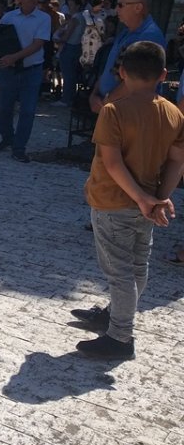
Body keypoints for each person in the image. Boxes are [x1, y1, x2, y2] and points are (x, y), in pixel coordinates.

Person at [70, 41, 184, 360]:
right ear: (163, 75)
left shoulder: (114, 110)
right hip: (146, 206)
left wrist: (143, 198)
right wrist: (158, 198)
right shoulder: (174, 113)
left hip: (112, 202)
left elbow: (112, 163)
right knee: (137, 266)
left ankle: (120, 337)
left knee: (120, 272)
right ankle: (113, 315)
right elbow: (177, 160)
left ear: (121, 72)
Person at [0, 0, 52, 163]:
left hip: (31, 70)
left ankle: (19, 147)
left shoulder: (43, 18)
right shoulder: (9, 17)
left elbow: (38, 44)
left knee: (28, 110)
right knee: (4, 107)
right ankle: (7, 138)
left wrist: (14, 57)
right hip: (9, 70)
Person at [89, 0, 166, 114]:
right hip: (113, 108)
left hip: (131, 113)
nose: (116, 9)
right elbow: (110, 68)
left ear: (138, 7)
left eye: (121, 5)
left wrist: (106, 103)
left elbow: (138, 80)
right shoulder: (126, 32)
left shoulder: (149, 37)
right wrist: (94, 95)